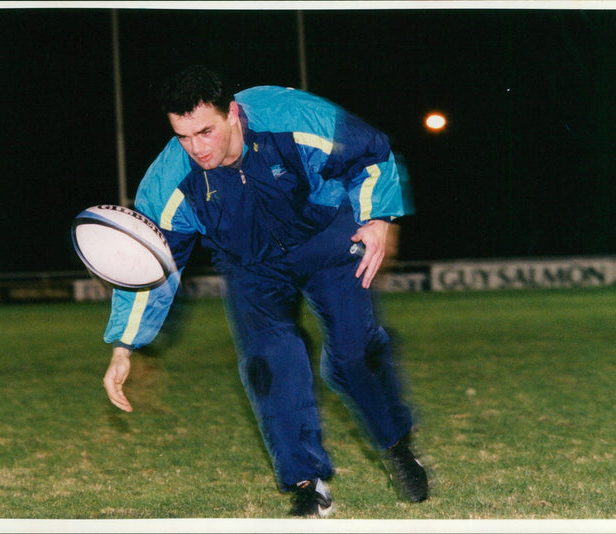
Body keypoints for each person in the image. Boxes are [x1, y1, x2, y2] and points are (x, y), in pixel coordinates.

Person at [101, 65, 427, 518]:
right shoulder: (168, 181)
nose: (197, 148)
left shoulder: (293, 118)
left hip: (329, 239)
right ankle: (308, 487)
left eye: (206, 132)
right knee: (268, 363)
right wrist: (124, 343)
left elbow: (370, 154)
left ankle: (396, 446)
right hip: (249, 265)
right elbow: (153, 267)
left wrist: (377, 217)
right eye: (183, 137)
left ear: (233, 113)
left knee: (354, 356)